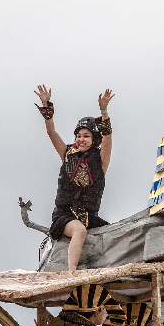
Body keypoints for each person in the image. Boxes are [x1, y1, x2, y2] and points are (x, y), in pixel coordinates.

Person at [34, 85, 115, 271]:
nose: (80, 139)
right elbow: (51, 132)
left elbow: (108, 137)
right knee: (79, 230)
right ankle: (71, 273)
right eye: (78, 135)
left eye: (86, 136)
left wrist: (104, 110)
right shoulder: (67, 154)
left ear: (94, 139)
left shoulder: (100, 161)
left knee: (112, 233)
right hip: (65, 215)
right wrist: (46, 104)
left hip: (89, 216)